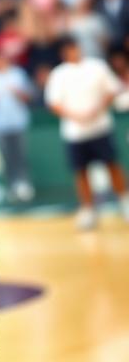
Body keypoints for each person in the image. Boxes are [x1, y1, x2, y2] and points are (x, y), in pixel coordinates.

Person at [45, 37, 129, 230]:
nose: (72, 52)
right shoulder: (59, 74)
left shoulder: (97, 67)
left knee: (112, 165)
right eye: (68, 50)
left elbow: (112, 89)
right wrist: (75, 115)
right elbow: (53, 102)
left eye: (74, 48)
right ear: (63, 53)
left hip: (100, 127)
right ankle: (88, 210)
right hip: (75, 133)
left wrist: (97, 109)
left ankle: (124, 202)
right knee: (81, 171)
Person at [0, 50, 36, 202]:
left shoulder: (17, 74)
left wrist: (18, 93)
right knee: (6, 157)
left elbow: (28, 96)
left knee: (20, 155)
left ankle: (25, 185)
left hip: (18, 122)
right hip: (0, 125)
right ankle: (13, 186)